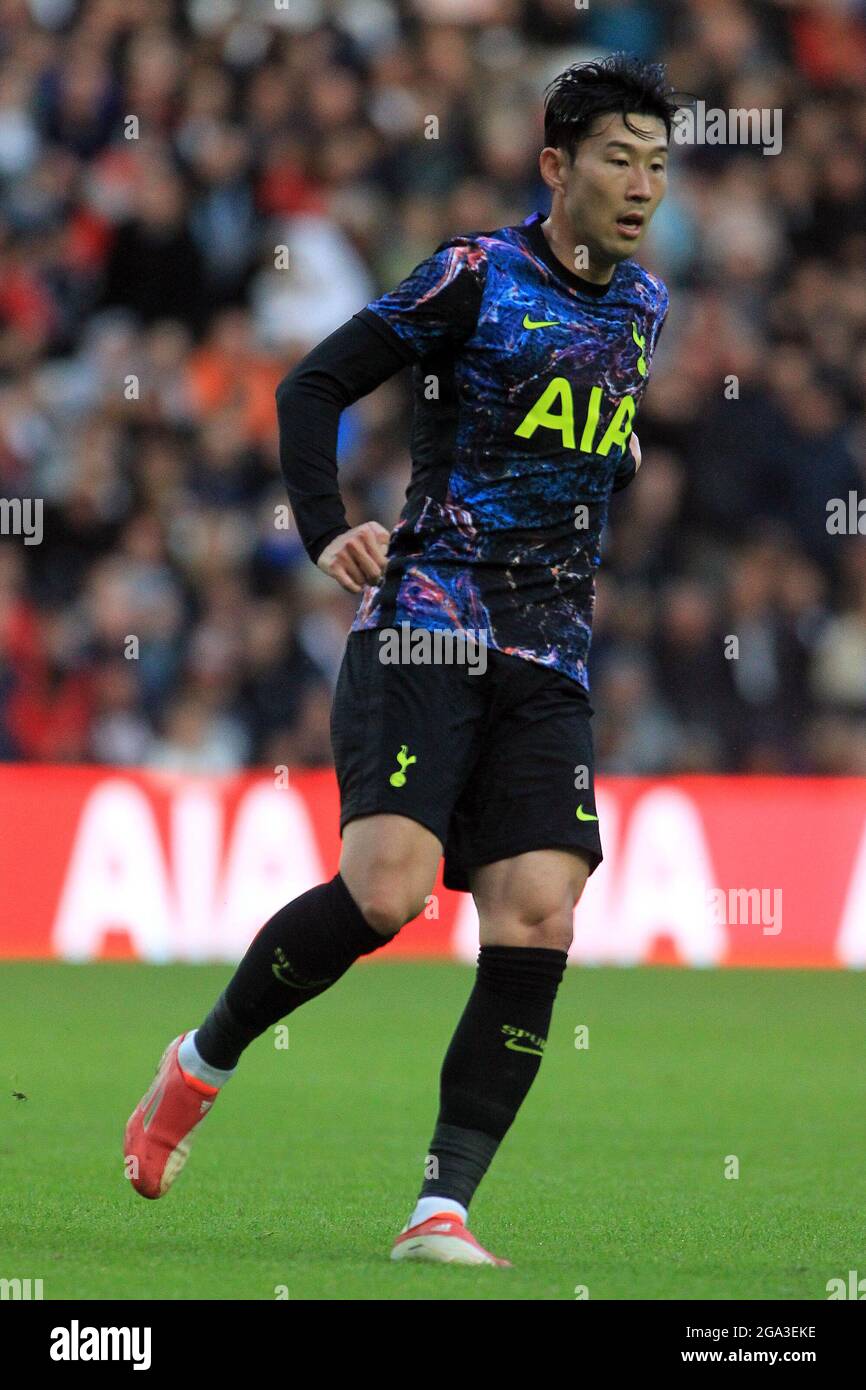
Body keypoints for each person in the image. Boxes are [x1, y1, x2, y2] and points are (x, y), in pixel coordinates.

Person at [124, 53, 675, 1268]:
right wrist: (326, 524)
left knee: (537, 911)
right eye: (617, 159)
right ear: (555, 166)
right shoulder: (474, 275)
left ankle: (441, 1206)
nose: (641, 186)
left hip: (549, 653)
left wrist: (608, 464)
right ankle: (199, 1062)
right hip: (427, 618)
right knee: (386, 891)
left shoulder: (643, 309)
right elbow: (311, 384)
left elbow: (593, 436)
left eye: (656, 164)